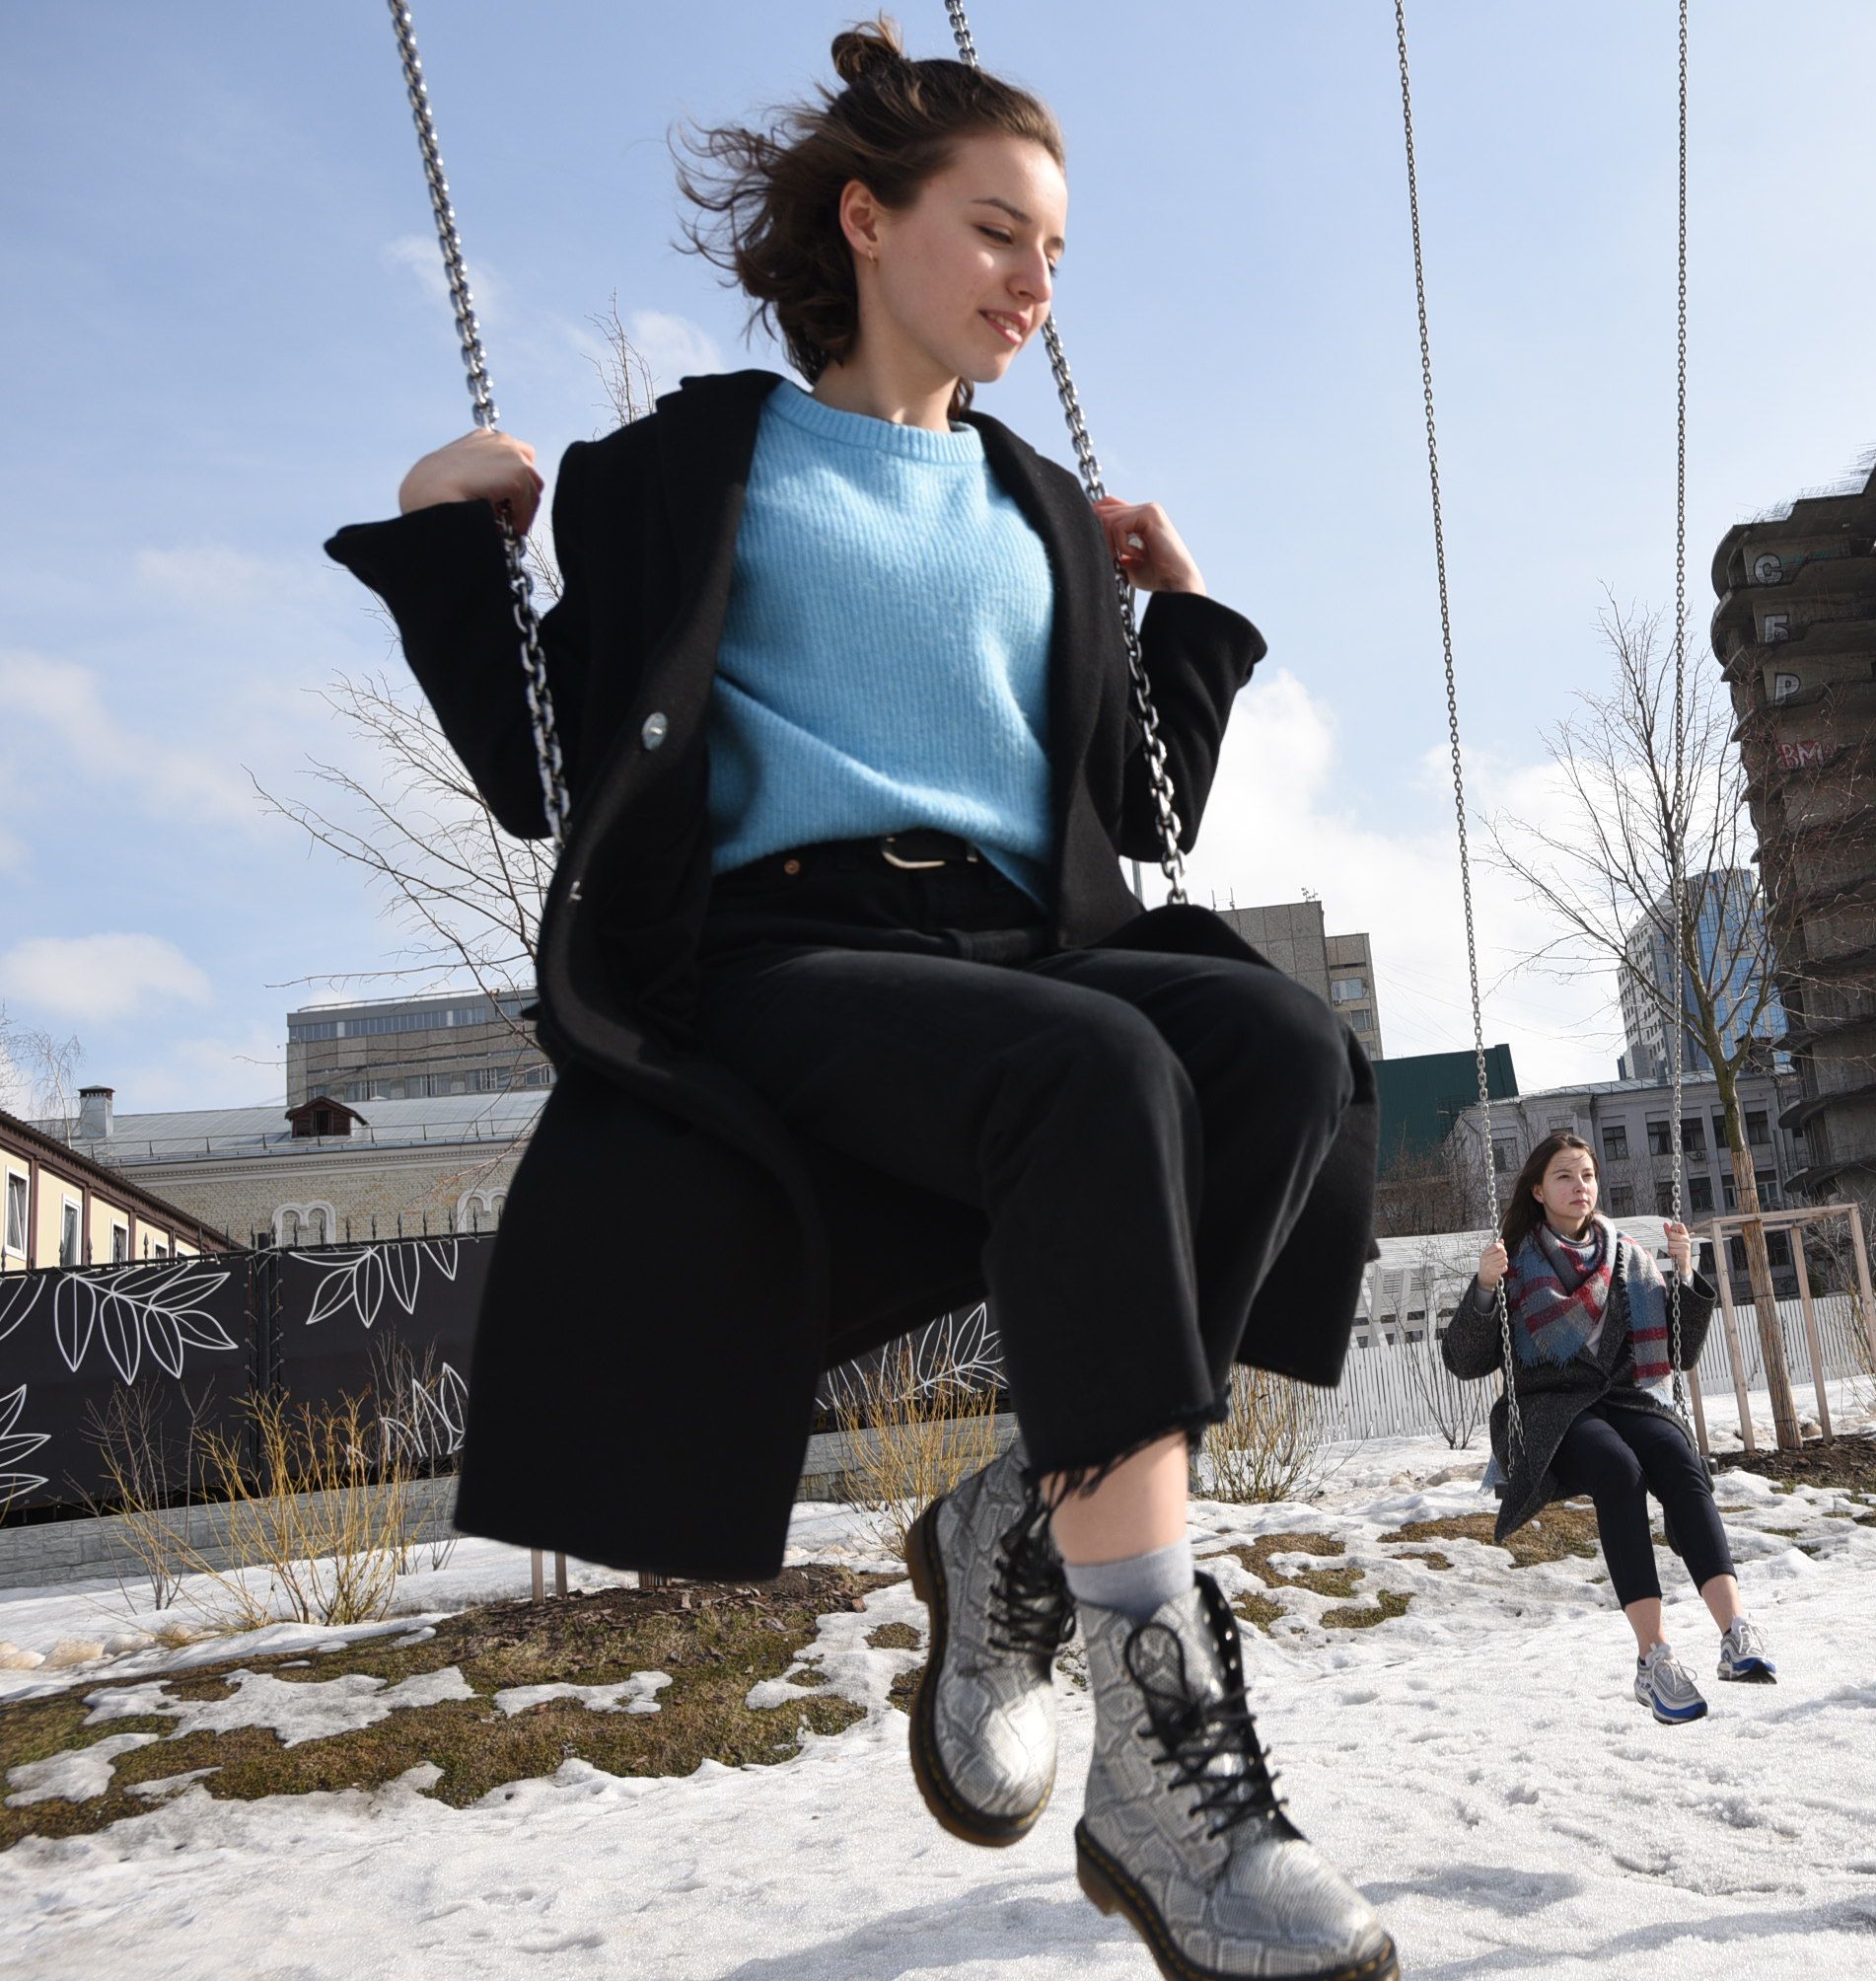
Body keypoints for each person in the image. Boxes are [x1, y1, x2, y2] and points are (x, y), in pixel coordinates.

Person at [325, 26, 1393, 1981]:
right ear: (867, 219)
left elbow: (1134, 808)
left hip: (1023, 949)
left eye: (1056, 253)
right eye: (998, 232)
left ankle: (1019, 1527)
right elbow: (551, 766)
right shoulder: (681, 468)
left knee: (1283, 1044)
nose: (1032, 282)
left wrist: (1184, 610)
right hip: (787, 960)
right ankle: (1166, 1771)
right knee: (1105, 1064)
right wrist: (445, 534)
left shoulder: (1044, 512)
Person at [1442, 1131, 1773, 1724]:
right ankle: (1654, 1659)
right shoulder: (1514, 1264)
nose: (1580, 1187)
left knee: (1678, 1461)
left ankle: (1736, 1631)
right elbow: (1465, 1361)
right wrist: (1485, 1289)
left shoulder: (1626, 1255)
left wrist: (1684, 1273)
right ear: (1539, 1190)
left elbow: (1681, 1353)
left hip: (1626, 1399)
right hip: (1550, 1412)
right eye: (1566, 1176)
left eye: (1588, 1176)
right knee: (1619, 1471)